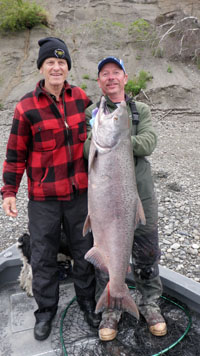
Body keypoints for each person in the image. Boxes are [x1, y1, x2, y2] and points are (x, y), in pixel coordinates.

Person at [1, 37, 101, 341]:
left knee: (85, 252)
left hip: (80, 195)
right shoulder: (26, 107)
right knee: (43, 256)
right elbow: (15, 153)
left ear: (68, 67)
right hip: (43, 198)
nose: (56, 68)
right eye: (50, 63)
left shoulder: (81, 98)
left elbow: (99, 139)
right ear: (42, 67)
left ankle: (87, 303)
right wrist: (8, 192)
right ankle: (45, 311)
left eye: (61, 63)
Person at [84, 56, 167, 341]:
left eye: (115, 72)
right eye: (104, 74)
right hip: (104, 199)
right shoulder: (92, 113)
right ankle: (111, 307)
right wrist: (107, 134)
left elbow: (149, 142)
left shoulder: (139, 109)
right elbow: (86, 150)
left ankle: (150, 303)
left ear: (125, 77)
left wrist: (117, 136)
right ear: (99, 81)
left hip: (139, 192)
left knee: (146, 251)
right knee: (106, 248)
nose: (110, 78)